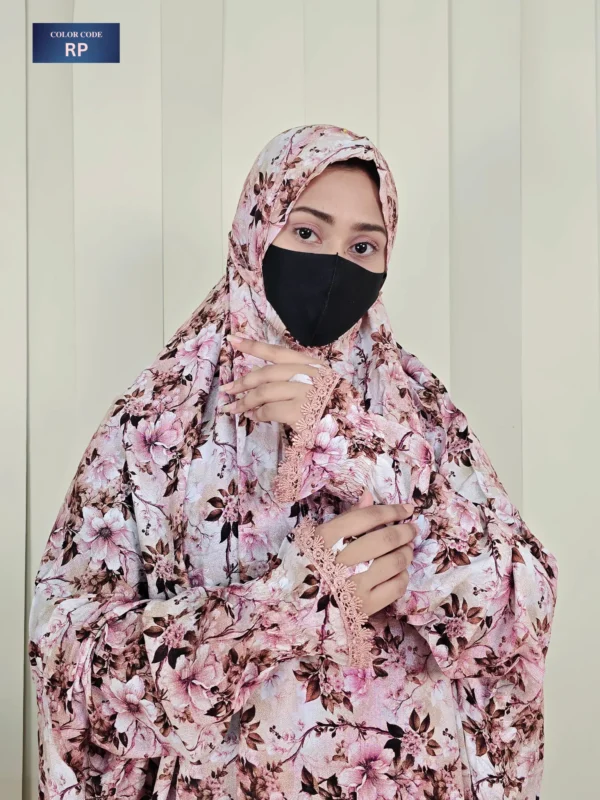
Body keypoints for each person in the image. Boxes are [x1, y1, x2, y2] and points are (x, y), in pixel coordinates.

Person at [29, 123, 559, 800]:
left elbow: (523, 614)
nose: (335, 265)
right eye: (306, 232)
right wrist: (276, 614)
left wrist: (356, 447)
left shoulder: (418, 411)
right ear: (256, 230)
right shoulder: (155, 425)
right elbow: (65, 657)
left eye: (364, 246)